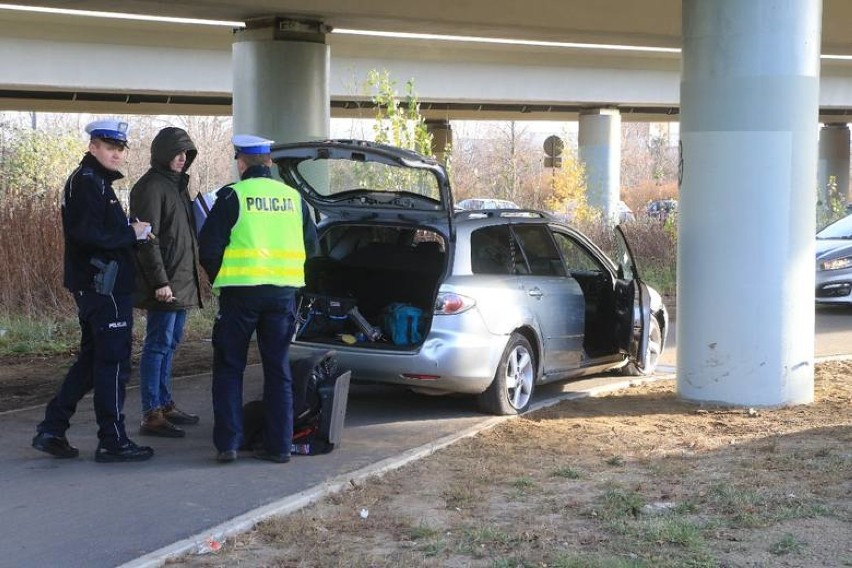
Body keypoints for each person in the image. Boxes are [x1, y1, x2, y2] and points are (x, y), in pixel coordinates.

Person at [32, 119, 155, 463]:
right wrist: (132, 235)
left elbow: (94, 232)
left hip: (100, 285)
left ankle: (52, 428)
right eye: (110, 147)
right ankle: (112, 440)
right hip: (104, 287)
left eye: (120, 149)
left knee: (91, 362)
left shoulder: (95, 182)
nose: (116, 154)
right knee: (113, 364)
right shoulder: (87, 183)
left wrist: (130, 231)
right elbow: (86, 235)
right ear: (93, 147)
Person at [199, 134, 318, 464]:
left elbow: (208, 248)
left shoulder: (232, 196)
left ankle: (229, 444)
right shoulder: (294, 199)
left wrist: (221, 280)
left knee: (229, 368)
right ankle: (280, 446)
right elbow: (313, 248)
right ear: (269, 164)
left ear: (241, 163)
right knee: (277, 370)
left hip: (240, 296)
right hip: (282, 296)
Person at [130, 127, 202, 438]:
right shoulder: (150, 188)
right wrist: (160, 281)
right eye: (176, 152)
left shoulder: (177, 187)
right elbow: (147, 239)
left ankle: (164, 403)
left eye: (186, 153)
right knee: (157, 346)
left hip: (181, 281)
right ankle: (151, 413)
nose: (182, 158)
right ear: (162, 153)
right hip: (165, 284)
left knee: (169, 345)